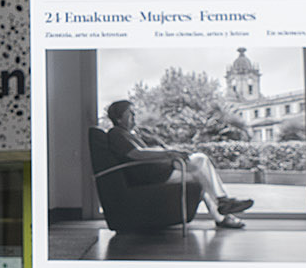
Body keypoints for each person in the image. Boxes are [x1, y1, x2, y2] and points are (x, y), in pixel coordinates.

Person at [103, 98, 251, 229]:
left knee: (202, 171)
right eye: (130, 113)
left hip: (159, 171)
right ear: (119, 117)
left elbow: (143, 151)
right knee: (200, 160)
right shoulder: (116, 133)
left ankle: (222, 214)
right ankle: (222, 205)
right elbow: (136, 154)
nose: (134, 117)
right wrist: (169, 154)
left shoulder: (131, 134)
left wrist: (168, 152)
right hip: (151, 176)